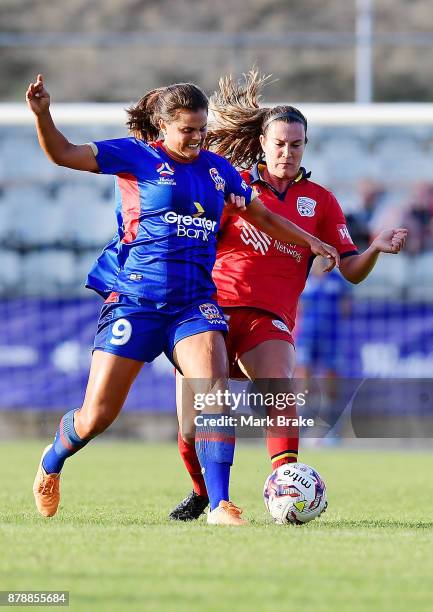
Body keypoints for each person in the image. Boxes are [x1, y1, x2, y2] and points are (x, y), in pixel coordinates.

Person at [26, 74, 340, 526]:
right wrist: (42, 115)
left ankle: (220, 504)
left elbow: (263, 215)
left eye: (201, 128)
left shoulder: (217, 170)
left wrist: (313, 242)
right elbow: (62, 153)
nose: (196, 138)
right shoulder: (135, 156)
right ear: (162, 126)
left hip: (195, 303)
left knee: (213, 395)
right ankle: (53, 460)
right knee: (96, 416)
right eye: (186, 129)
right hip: (136, 300)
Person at [170, 70, 407, 521]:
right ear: (262, 142)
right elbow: (193, 237)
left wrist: (374, 247)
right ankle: (205, 493)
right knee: (192, 423)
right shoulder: (231, 186)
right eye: (279, 143)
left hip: (267, 319)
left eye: (295, 144)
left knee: (281, 391)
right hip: (210, 312)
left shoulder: (320, 201)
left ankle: (288, 490)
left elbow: (351, 270)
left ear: (305, 146)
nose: (286, 151)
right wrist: (234, 234)